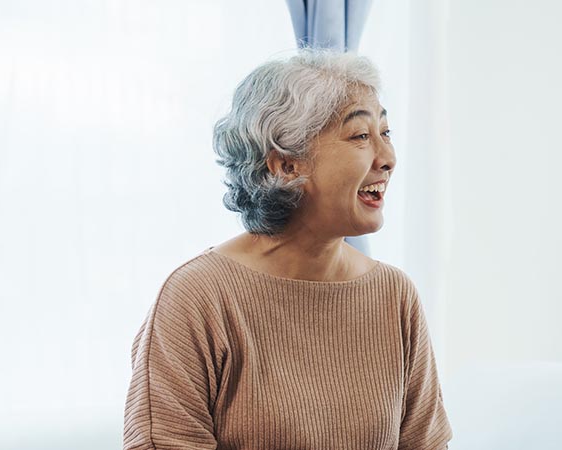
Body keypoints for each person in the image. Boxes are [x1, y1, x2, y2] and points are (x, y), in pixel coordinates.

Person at [123, 50, 451, 450]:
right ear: (286, 166)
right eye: (361, 136)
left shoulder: (394, 295)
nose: (388, 159)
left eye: (386, 133)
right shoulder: (197, 298)